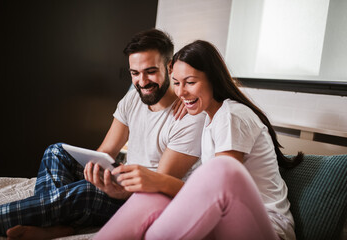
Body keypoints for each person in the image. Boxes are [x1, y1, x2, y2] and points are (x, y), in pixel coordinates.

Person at [0, 29, 205, 240]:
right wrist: (95, 169)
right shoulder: (132, 99)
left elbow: (159, 183)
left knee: (84, 192)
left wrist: (107, 187)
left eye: (150, 71)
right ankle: (57, 226)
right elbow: (106, 150)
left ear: (169, 67)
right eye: (135, 73)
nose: (142, 81)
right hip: (123, 179)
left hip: (144, 197)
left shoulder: (189, 115)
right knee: (56, 151)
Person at [93, 40, 303, 240]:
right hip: (225, 219)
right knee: (151, 199)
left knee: (215, 172)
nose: (181, 92)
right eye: (176, 83)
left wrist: (157, 179)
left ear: (213, 79)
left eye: (190, 82)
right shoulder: (208, 118)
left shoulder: (232, 116)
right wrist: (193, 99)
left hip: (266, 228)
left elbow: (221, 186)